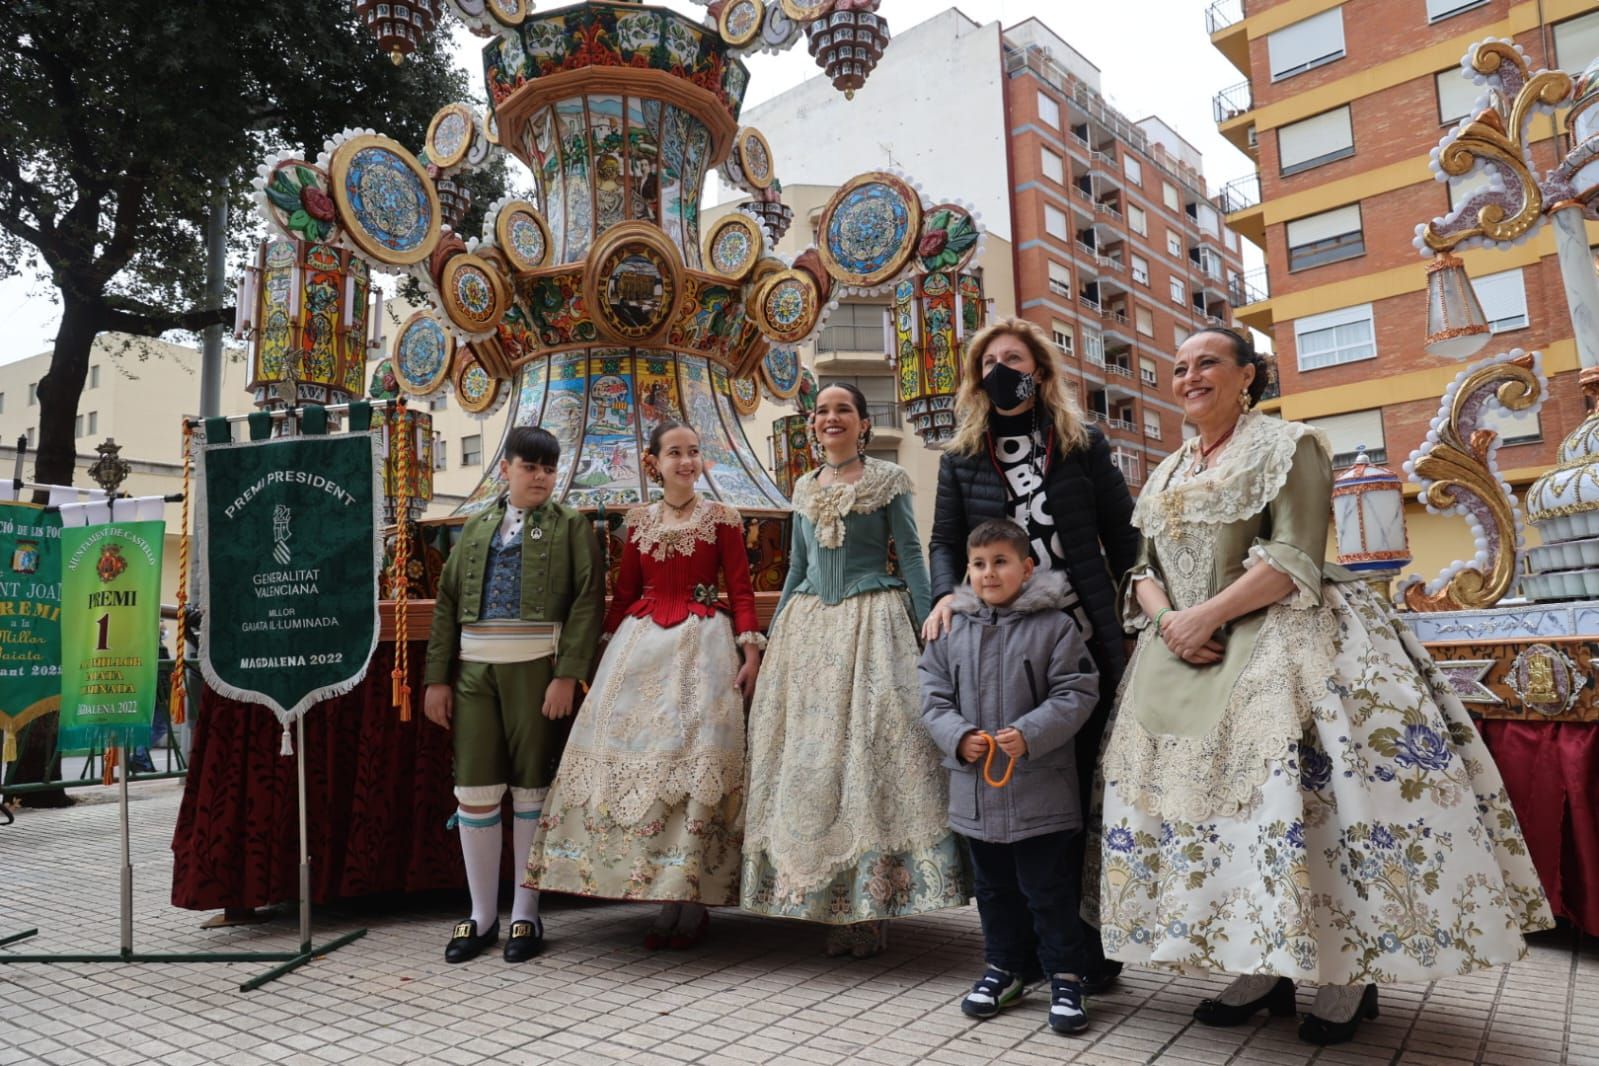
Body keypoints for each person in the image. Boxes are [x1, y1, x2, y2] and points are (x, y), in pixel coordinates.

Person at [1092, 327, 1552, 1044]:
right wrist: (1170, 623)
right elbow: (1141, 569)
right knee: (1229, 827)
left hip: (1285, 643)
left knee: (1312, 813)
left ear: (1248, 375)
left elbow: (1293, 556)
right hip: (1182, 653)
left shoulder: (1290, 444)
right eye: (1178, 368)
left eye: (1207, 362)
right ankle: (1260, 965)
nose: (1189, 377)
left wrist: (1206, 615)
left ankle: (1346, 977)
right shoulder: (1165, 472)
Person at [924, 316, 1137, 992]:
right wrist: (943, 596)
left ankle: (1082, 953)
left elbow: (1123, 536)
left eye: (1013, 359)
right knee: (1004, 789)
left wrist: (1137, 617)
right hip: (995, 642)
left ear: (1040, 370)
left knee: (1078, 793)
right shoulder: (962, 455)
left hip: (1077, 635)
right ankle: (1012, 955)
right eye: (988, 362)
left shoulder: (1081, 443)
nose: (1000, 372)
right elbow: (944, 540)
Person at [742, 383, 966, 957]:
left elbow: (910, 554)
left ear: (864, 423)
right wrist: (775, 634)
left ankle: (872, 903)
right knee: (811, 763)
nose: (831, 418)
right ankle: (821, 898)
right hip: (809, 633)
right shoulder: (803, 486)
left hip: (873, 622)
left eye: (843, 409)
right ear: (813, 425)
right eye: (822, 411)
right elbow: (797, 567)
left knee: (867, 755)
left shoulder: (889, 479)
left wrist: (929, 629)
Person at [525, 421, 762, 948]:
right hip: (640, 647)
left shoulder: (723, 518)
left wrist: (750, 651)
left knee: (692, 762)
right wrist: (601, 656)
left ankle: (691, 902)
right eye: (675, 452)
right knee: (647, 765)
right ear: (654, 462)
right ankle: (658, 895)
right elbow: (625, 592)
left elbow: (742, 589)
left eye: (694, 451)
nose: (686, 460)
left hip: (703, 649)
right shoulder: (637, 522)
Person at [423, 426, 604, 964]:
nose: (541, 477)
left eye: (549, 468)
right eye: (530, 466)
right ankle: (481, 915)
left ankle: (526, 911)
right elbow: (447, 604)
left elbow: (588, 600)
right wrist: (437, 679)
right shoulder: (476, 527)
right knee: (474, 790)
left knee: (530, 791)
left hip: (536, 668)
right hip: (474, 671)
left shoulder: (571, 526)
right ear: (506, 469)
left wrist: (567, 674)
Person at [919, 519, 1100, 1035]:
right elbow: (931, 695)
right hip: (976, 792)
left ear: (1027, 567)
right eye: (978, 564)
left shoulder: (1055, 627)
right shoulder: (951, 629)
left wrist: (1029, 732)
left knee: (1048, 889)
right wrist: (958, 736)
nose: (989, 573)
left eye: (1000, 562)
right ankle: (1003, 968)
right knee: (993, 889)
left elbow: (1077, 691)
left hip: (1039, 790)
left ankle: (1067, 976)